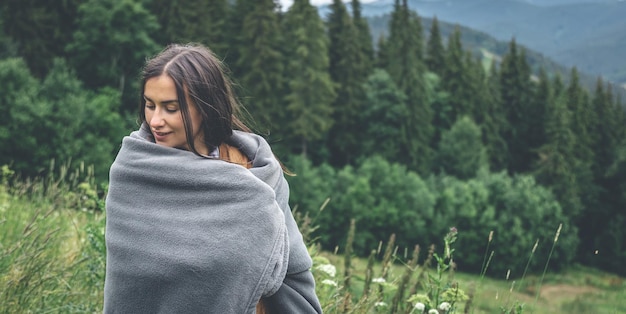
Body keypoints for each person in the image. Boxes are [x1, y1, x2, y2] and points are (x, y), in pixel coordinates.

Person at [104, 43, 322, 313]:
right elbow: (128, 282)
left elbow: (293, 272)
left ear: (205, 108)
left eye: (170, 108)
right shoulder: (133, 171)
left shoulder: (254, 173)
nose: (155, 120)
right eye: (150, 105)